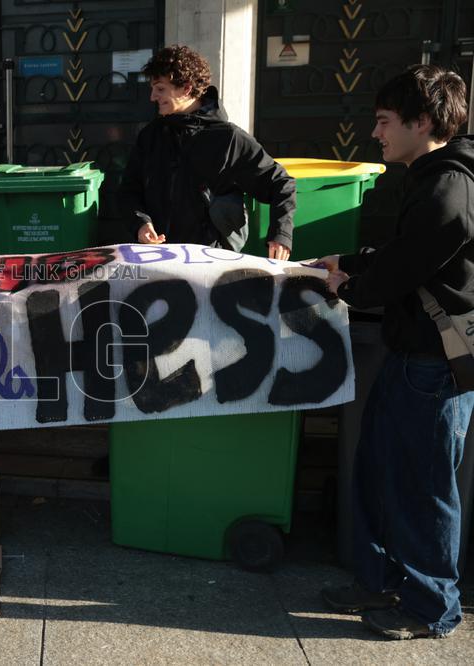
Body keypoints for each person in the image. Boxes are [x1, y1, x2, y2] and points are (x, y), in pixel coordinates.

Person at [319, 64, 473, 640]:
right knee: (380, 470)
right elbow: (404, 252)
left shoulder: (448, 189)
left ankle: (432, 607)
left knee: (423, 487)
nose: (376, 134)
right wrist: (350, 261)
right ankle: (380, 579)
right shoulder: (433, 178)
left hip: (434, 365)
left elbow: (405, 268)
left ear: (423, 121)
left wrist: (350, 286)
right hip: (411, 355)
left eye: (385, 122)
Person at [117, 45, 295, 259]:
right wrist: (141, 224)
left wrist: (281, 234)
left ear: (186, 88)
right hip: (157, 258)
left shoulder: (228, 137)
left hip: (211, 262)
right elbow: (129, 190)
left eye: (160, 89)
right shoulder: (150, 136)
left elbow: (281, 183)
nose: (153, 97)